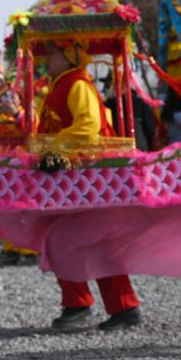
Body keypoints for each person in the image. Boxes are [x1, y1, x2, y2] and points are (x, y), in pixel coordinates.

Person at [38, 43, 141, 331]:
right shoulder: (61, 85)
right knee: (61, 239)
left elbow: (89, 125)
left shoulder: (77, 84)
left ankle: (112, 306)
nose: (46, 58)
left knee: (91, 240)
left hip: (88, 177)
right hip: (70, 177)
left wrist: (54, 149)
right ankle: (84, 304)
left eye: (52, 53)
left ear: (69, 56)